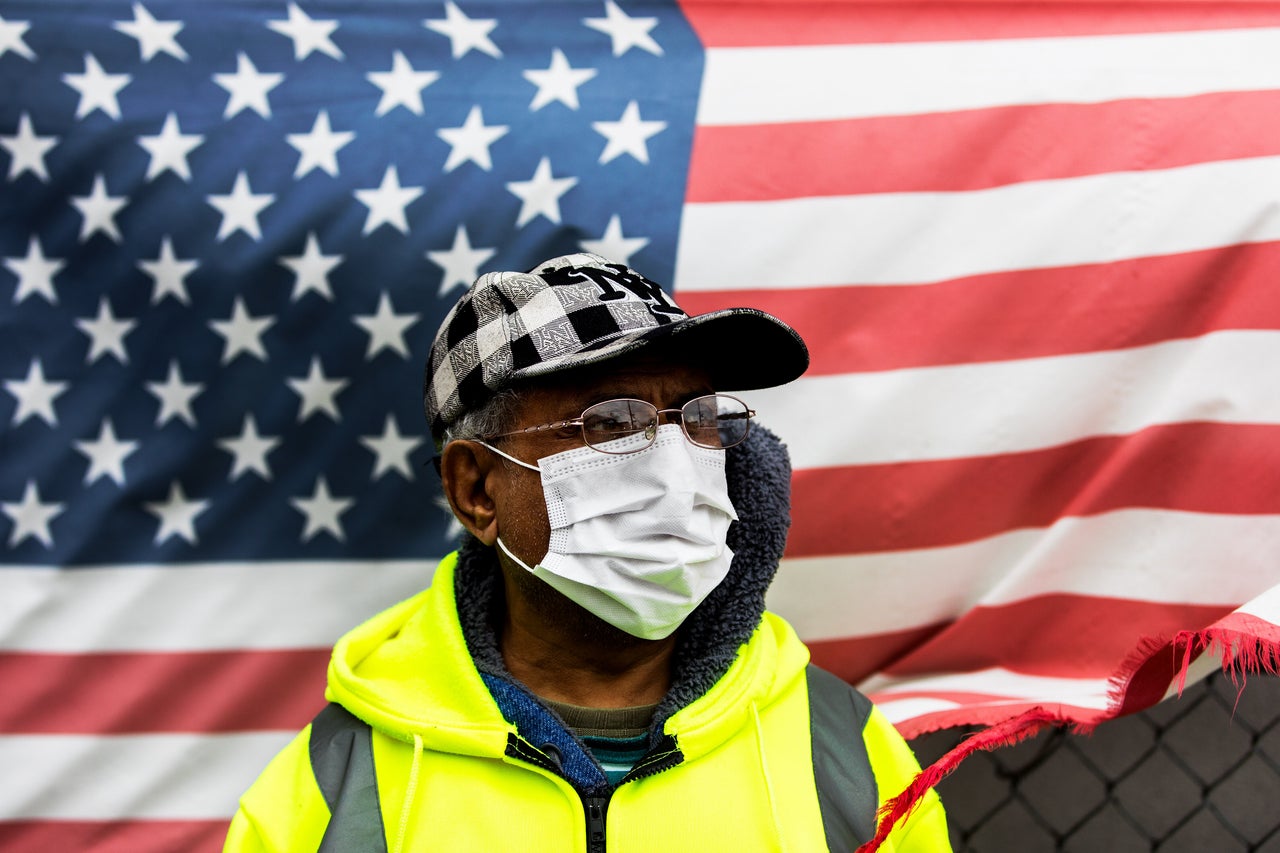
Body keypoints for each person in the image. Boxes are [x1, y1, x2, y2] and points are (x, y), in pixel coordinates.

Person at [223, 253, 949, 852]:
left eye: (698, 418)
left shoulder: (847, 751)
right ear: (476, 489)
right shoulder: (334, 789)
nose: (677, 467)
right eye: (611, 422)